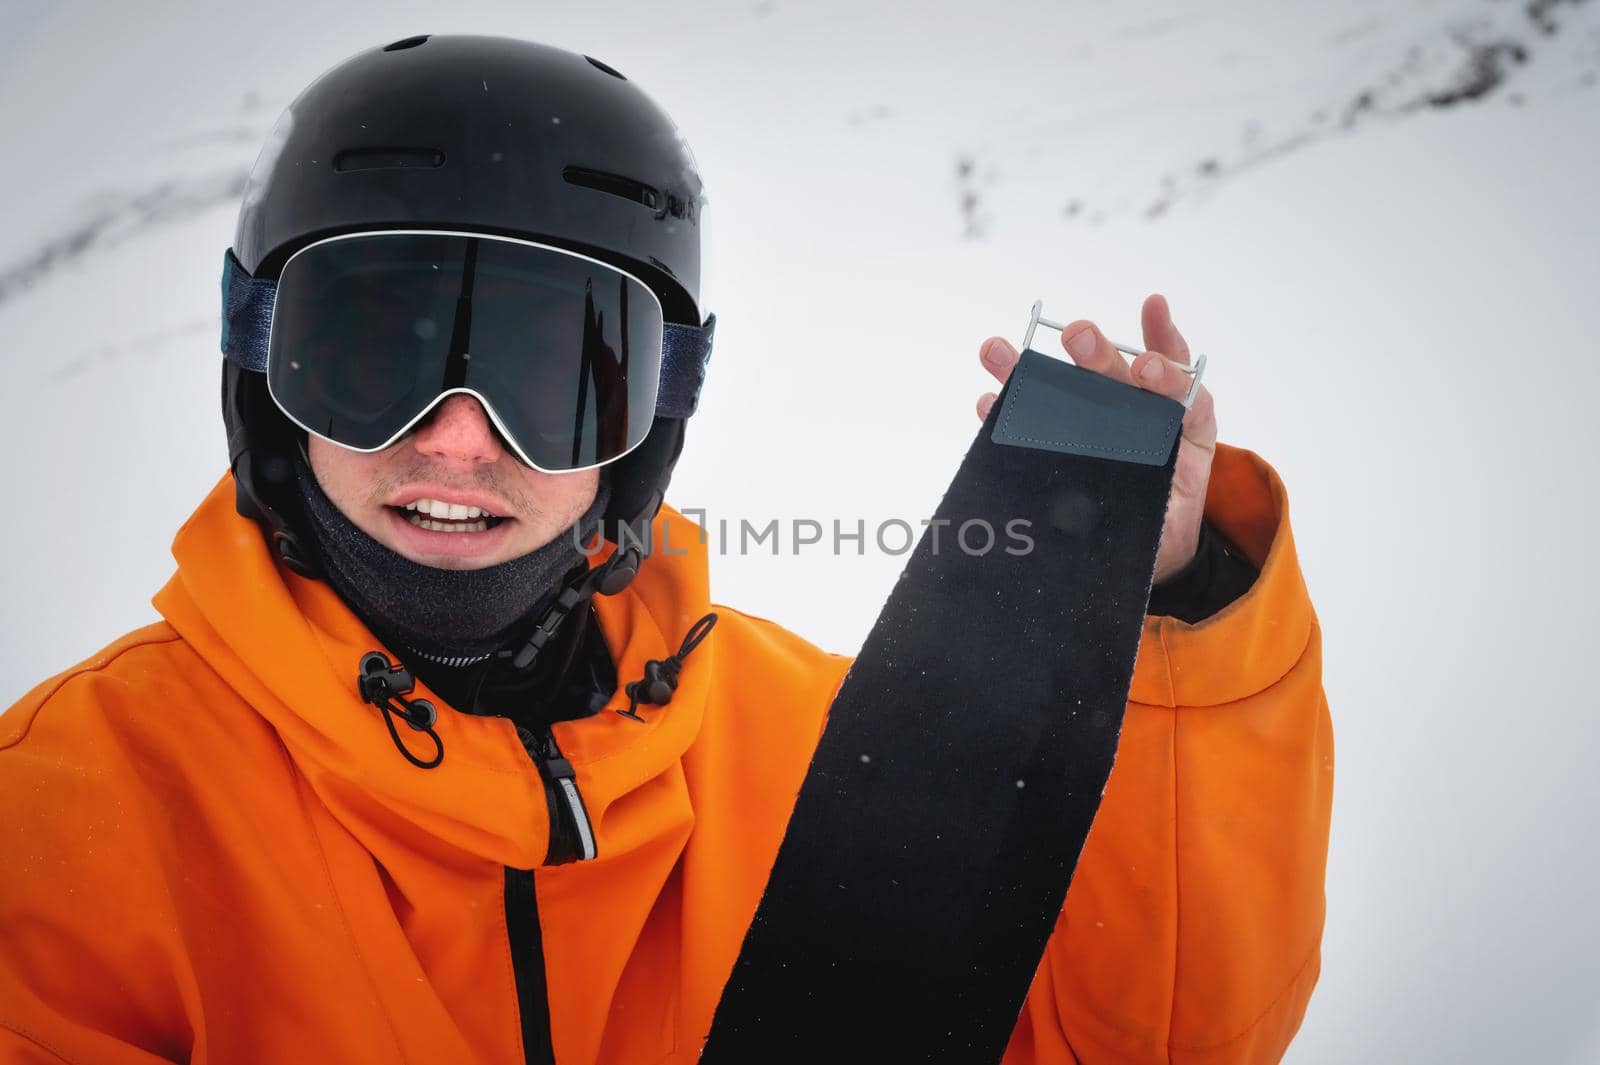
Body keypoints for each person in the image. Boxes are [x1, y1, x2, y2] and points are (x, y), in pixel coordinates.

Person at [0, 33, 1333, 1065]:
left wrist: (1151, 602)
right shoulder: (74, 816)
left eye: (553, 369)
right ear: (264, 369)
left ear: (651, 417)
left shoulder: (828, 747)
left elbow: (1141, 1044)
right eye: (376, 351)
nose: (460, 443)